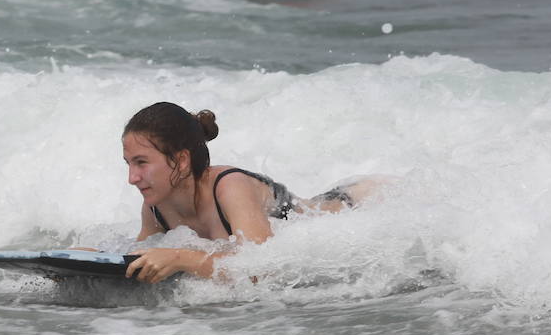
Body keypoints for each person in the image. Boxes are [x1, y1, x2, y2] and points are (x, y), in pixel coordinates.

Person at [121, 102, 383, 283]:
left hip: (353, 205)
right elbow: (139, 255)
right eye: (129, 164)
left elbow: (262, 270)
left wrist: (180, 258)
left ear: (181, 161)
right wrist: (89, 256)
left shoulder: (230, 187)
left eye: (142, 163)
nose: (132, 178)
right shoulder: (157, 204)